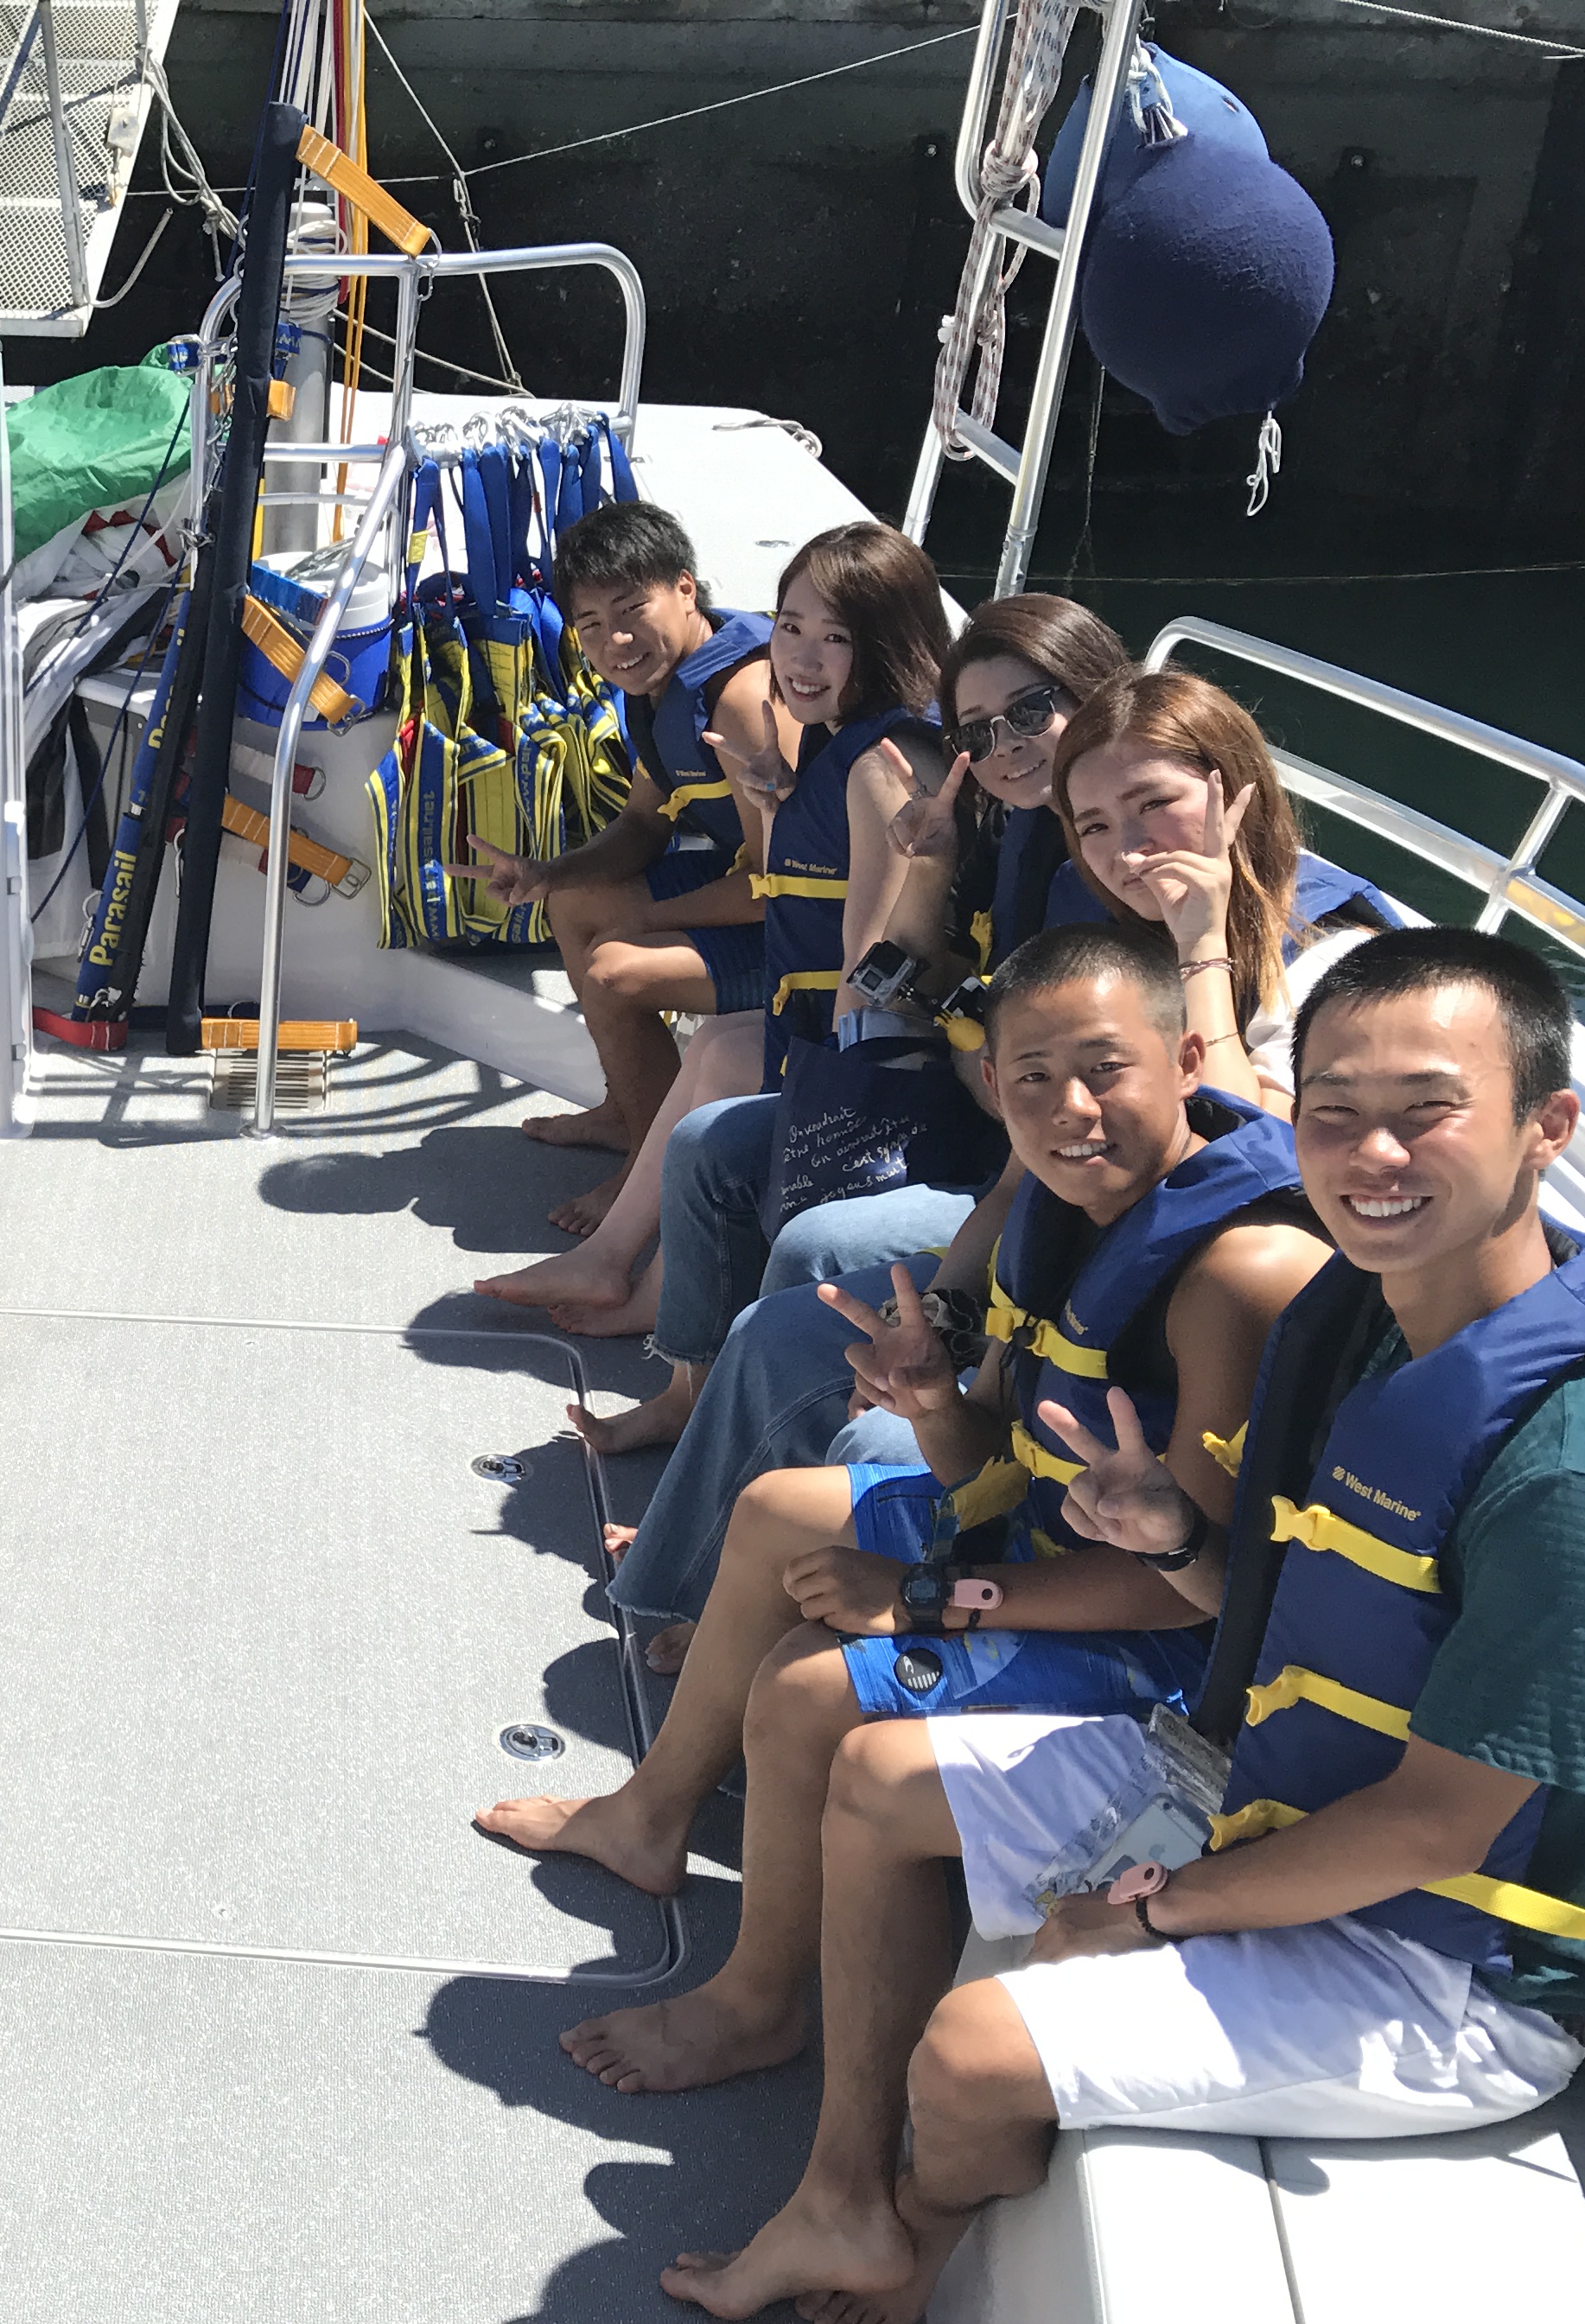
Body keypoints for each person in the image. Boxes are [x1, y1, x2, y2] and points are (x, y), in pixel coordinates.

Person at [663, 927, 1585, 2324]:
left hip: (1452, 1963)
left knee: (973, 2051)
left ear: (1547, 1127)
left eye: (1425, 1110)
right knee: (871, 1777)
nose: (1371, 1154)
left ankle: (916, 2223)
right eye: (1334, 1111)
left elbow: (1437, 1826)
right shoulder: (1375, 1320)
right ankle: (839, 2194)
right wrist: (1173, 1536)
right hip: (1275, 1791)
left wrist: (1145, 1912)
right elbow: (1268, 1601)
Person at [482, 923, 1333, 2098]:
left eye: (1105, 1069)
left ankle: (756, 2002)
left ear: (1188, 1059)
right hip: (1059, 1543)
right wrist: (933, 1403)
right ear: (994, 1083)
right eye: (1034, 1078)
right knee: (778, 1508)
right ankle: (650, 1818)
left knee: (807, 1686)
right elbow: (985, 1454)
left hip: (1174, 1658)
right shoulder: (1061, 1197)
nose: (1072, 1108)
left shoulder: (1235, 1276)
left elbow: (1194, 1591)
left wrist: (927, 1597)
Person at [599, 645, 1387, 1669]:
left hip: (1163, 1341)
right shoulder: (1105, 921)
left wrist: (1203, 942)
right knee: (782, 1328)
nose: (1124, 848)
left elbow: (1244, 1169)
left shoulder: (1329, 973)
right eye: (1094, 825)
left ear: (1233, 790)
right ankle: (712, 1583)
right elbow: (1018, 1162)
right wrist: (943, 1316)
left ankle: (797, 1615)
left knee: (866, 1410)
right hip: (1064, 1267)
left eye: (1153, 806)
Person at [476, 522, 956, 1356]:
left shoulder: (874, 760)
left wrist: (819, 1072)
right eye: (790, 627)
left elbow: (868, 955)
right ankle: (615, 1260)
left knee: (711, 1061)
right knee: (710, 1047)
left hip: (857, 1046)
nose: (798, 658)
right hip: (810, 991)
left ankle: (657, 1319)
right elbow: (729, 850)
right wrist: (769, 803)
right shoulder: (811, 728)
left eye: (835, 637)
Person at [430, 500, 781, 1224]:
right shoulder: (661, 688)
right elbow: (644, 822)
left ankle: (650, 1177)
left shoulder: (741, 701)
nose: (614, 641)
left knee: (615, 971)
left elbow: (777, 888)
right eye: (589, 625)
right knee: (575, 902)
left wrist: (648, 921)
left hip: (815, 936)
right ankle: (629, 1115)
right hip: (758, 893)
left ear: (685, 588)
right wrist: (547, 874)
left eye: (631, 610)